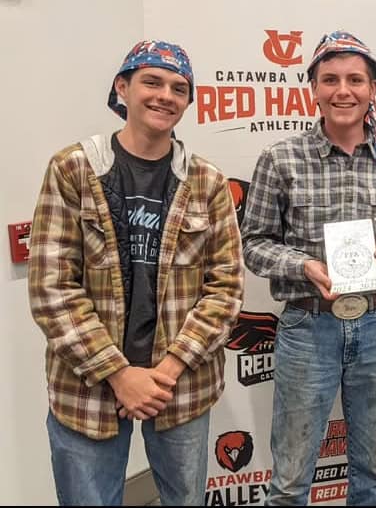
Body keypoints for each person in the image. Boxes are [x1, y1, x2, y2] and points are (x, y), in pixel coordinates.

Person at [27, 40, 244, 506]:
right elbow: (51, 288)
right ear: (122, 87)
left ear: (187, 102)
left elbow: (225, 289)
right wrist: (121, 374)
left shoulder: (206, 182)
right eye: (152, 81)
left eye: (178, 87)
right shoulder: (73, 170)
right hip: (87, 385)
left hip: (180, 385)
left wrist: (164, 371)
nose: (165, 95)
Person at [241, 30, 376, 506]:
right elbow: (253, 245)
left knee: (373, 471)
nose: (342, 90)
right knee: (290, 478)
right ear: (313, 89)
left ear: (373, 89)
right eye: (330, 79)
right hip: (309, 326)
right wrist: (304, 264)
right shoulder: (281, 159)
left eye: (355, 79)